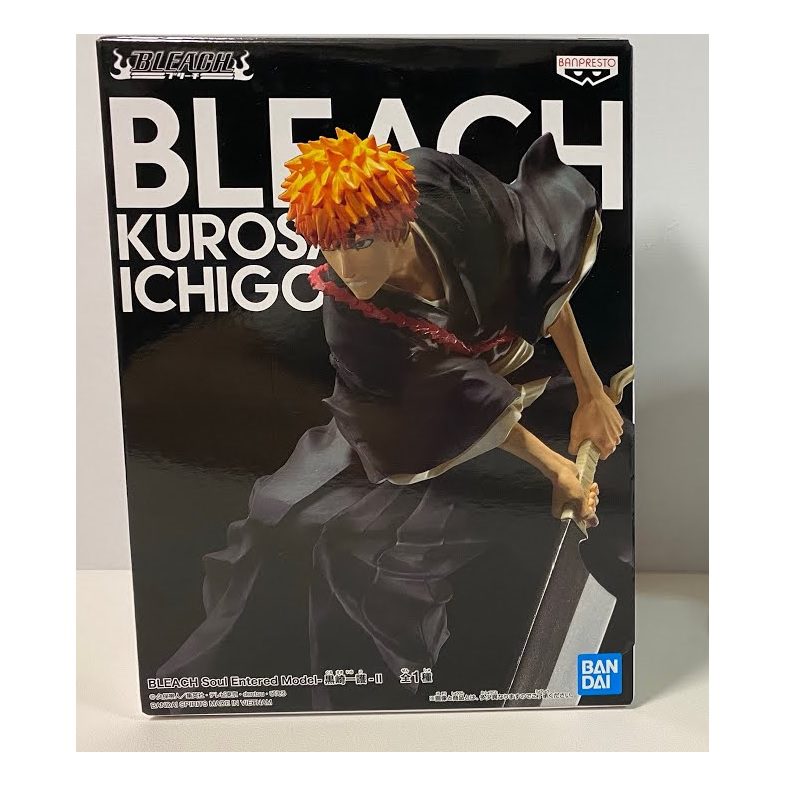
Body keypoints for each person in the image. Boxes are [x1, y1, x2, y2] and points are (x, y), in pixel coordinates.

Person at [157, 129, 624, 708]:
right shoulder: (351, 315)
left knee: (352, 551)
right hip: (394, 418)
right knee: (281, 519)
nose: (343, 266)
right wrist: (557, 469)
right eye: (327, 246)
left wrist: (591, 393)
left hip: (513, 378)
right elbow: (450, 399)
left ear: (399, 221)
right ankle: (269, 687)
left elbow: (542, 278)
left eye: (357, 243)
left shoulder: (451, 193)